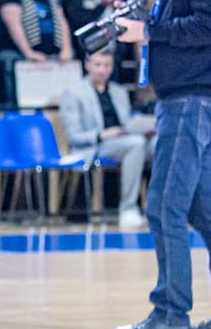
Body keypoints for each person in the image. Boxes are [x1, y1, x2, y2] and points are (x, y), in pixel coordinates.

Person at [111, 0, 211, 329]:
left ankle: (171, 311)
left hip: (194, 99)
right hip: (182, 98)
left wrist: (147, 31)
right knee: (205, 212)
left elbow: (209, 25)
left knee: (162, 207)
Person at [60, 49, 149, 231]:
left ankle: (164, 208)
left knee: (160, 144)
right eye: (97, 64)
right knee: (136, 144)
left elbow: (128, 123)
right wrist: (102, 134)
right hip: (94, 146)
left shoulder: (119, 91)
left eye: (107, 65)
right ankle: (128, 209)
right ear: (87, 65)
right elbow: (74, 136)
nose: (102, 70)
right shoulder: (73, 93)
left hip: (125, 140)